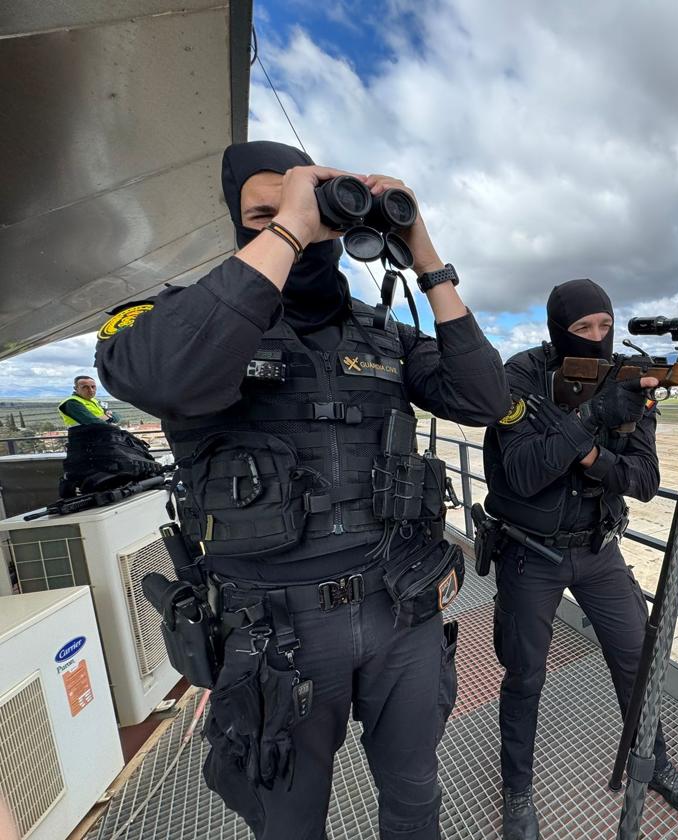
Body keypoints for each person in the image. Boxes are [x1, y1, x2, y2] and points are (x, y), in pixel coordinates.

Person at [95, 141, 508, 840]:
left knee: (414, 799)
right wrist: (290, 227)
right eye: (263, 214)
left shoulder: (384, 336)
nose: (292, 228)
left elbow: (485, 396)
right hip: (271, 635)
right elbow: (166, 378)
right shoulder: (172, 322)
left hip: (397, 613)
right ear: (238, 224)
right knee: (289, 825)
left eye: (308, 211)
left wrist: (423, 250)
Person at [482, 279, 678, 839]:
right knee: (525, 677)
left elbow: (646, 480)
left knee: (638, 663)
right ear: (559, 329)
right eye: (583, 329)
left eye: (606, 327)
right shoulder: (521, 377)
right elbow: (524, 471)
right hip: (529, 555)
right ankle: (517, 794)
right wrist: (591, 417)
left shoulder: (628, 382)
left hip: (600, 550)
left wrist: (589, 452)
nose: (597, 339)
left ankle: (652, 764)